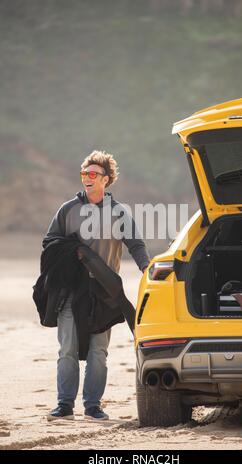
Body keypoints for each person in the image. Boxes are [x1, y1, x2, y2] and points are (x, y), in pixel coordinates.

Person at [45, 150, 150, 421]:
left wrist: (147, 269)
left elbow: (135, 245)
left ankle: (93, 405)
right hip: (71, 291)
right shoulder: (68, 209)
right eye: (84, 174)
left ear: (106, 179)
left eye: (93, 174)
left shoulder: (119, 212)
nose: (87, 178)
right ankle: (64, 404)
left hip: (104, 291)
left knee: (98, 352)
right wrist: (74, 251)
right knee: (67, 348)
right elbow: (50, 243)